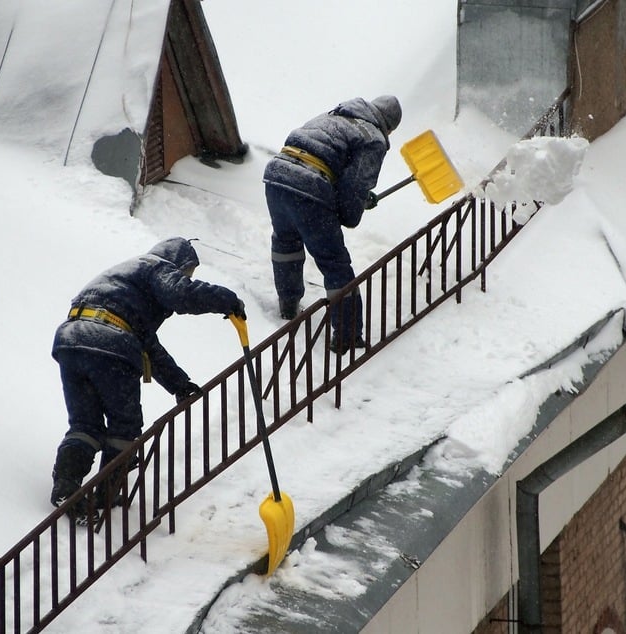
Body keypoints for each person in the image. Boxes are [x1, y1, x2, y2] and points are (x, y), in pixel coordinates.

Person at [49, 237, 246, 514]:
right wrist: (228, 300)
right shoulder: (156, 266)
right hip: (111, 340)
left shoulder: (124, 278)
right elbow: (182, 295)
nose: (186, 277)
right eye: (187, 272)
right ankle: (104, 497)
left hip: (71, 338)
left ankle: (65, 487)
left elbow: (147, 345)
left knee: (85, 424)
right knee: (124, 426)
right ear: (177, 261)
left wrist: (180, 384)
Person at [262, 95, 402, 354]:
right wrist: (353, 208)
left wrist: (356, 198)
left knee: (286, 242)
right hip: (309, 187)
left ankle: (288, 303)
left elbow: (323, 157)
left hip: (277, 175)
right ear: (390, 127)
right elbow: (356, 184)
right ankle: (347, 337)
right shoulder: (374, 138)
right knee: (335, 264)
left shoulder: (334, 116)